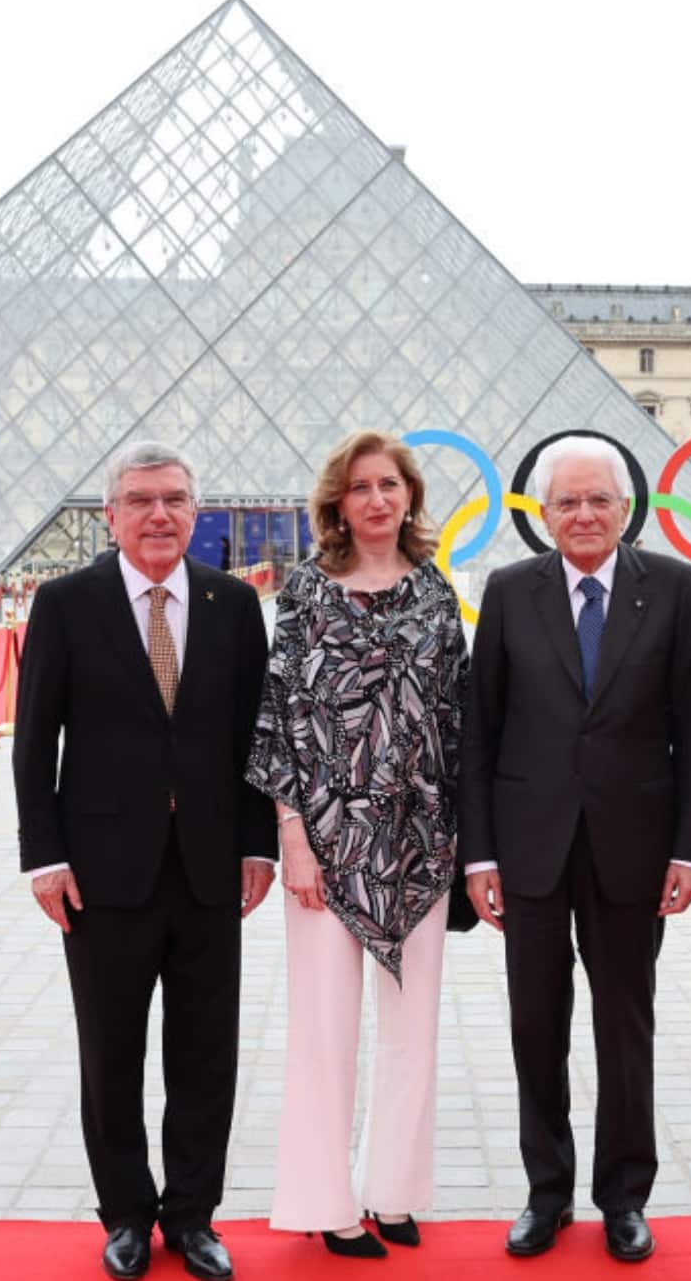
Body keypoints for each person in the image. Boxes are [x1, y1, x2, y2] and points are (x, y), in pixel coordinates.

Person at [12, 441, 276, 1281]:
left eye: (174, 499)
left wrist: (258, 842)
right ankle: (126, 1213)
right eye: (141, 500)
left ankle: (194, 1215)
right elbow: (32, 744)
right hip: (101, 868)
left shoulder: (232, 604)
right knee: (111, 1052)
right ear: (111, 513)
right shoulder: (64, 603)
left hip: (208, 867)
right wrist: (43, 858)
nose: (159, 514)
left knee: (206, 1053)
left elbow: (253, 737)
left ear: (195, 512)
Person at [460, 436, 691, 1263]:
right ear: (544, 512)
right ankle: (547, 1192)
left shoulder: (671, 589)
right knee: (536, 1025)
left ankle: (624, 1197)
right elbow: (480, 731)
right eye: (566, 502)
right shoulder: (507, 592)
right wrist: (479, 856)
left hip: (633, 848)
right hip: (530, 847)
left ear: (624, 507)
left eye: (598, 500)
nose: (583, 515)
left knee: (625, 1026)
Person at [246, 431, 467, 1258]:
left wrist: (461, 842)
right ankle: (324, 1201)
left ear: (410, 496)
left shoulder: (437, 594)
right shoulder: (306, 592)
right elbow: (279, 719)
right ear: (338, 501)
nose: (378, 499)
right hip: (327, 836)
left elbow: (456, 719)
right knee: (324, 1029)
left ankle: (396, 1189)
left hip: (419, 837)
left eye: (392, 484)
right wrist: (291, 838)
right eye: (362, 486)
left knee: (414, 1028)